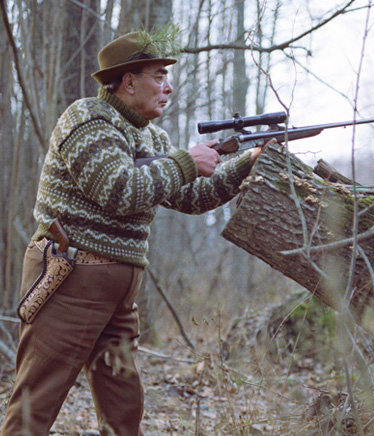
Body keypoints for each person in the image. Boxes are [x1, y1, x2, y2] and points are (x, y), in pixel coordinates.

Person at [1, 29, 270, 436]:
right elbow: (119, 189)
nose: (169, 86)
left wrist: (250, 160)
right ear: (129, 81)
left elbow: (193, 197)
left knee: (124, 411)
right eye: (159, 75)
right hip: (69, 281)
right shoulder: (87, 118)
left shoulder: (150, 134)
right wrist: (184, 161)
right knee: (35, 404)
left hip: (118, 295)